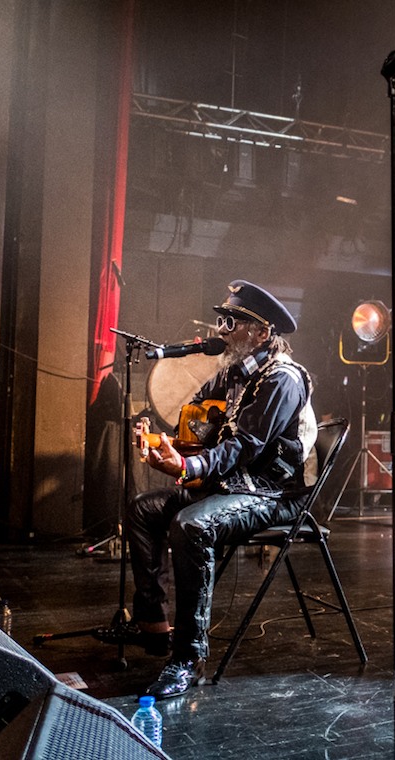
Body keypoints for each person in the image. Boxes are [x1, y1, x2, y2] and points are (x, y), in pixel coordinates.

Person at [112, 280, 318, 699]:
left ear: (262, 333)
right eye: (222, 319)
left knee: (191, 526)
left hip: (273, 495)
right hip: (233, 484)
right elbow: (197, 423)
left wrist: (188, 466)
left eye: (232, 322)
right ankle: (154, 624)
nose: (222, 330)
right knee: (142, 509)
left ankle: (187, 656)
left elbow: (244, 446)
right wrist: (163, 445)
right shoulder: (233, 373)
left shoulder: (282, 379)